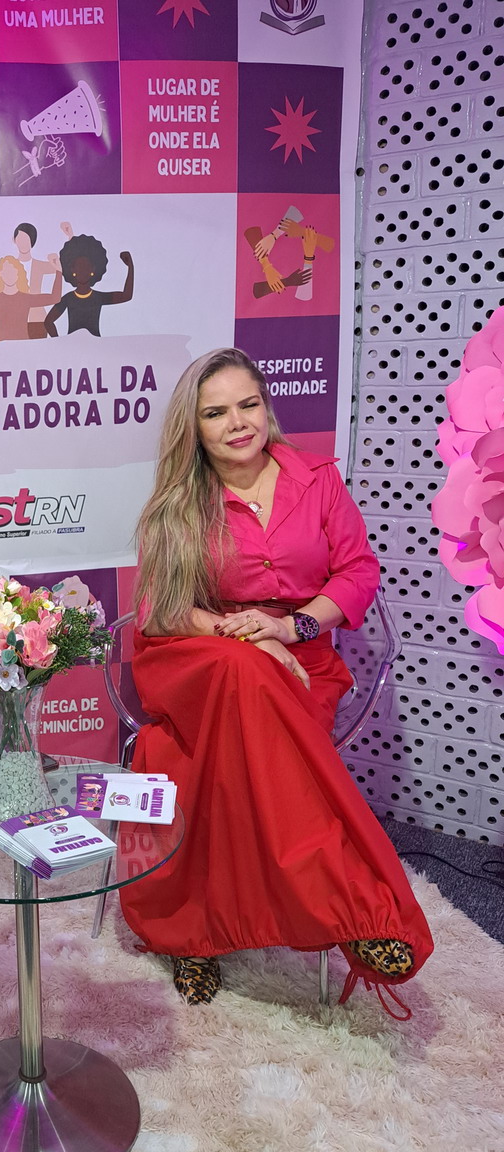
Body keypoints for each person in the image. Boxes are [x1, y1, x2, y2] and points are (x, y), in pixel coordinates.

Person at [119, 347, 433, 1008]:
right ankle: (352, 905)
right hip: (199, 656)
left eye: (249, 404)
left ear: (267, 406)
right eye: (216, 412)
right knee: (242, 668)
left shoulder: (317, 480)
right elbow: (162, 610)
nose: (238, 422)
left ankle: (196, 935)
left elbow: (358, 572)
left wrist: (290, 630)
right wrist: (246, 637)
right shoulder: (177, 503)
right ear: (193, 427)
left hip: (302, 660)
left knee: (207, 750)